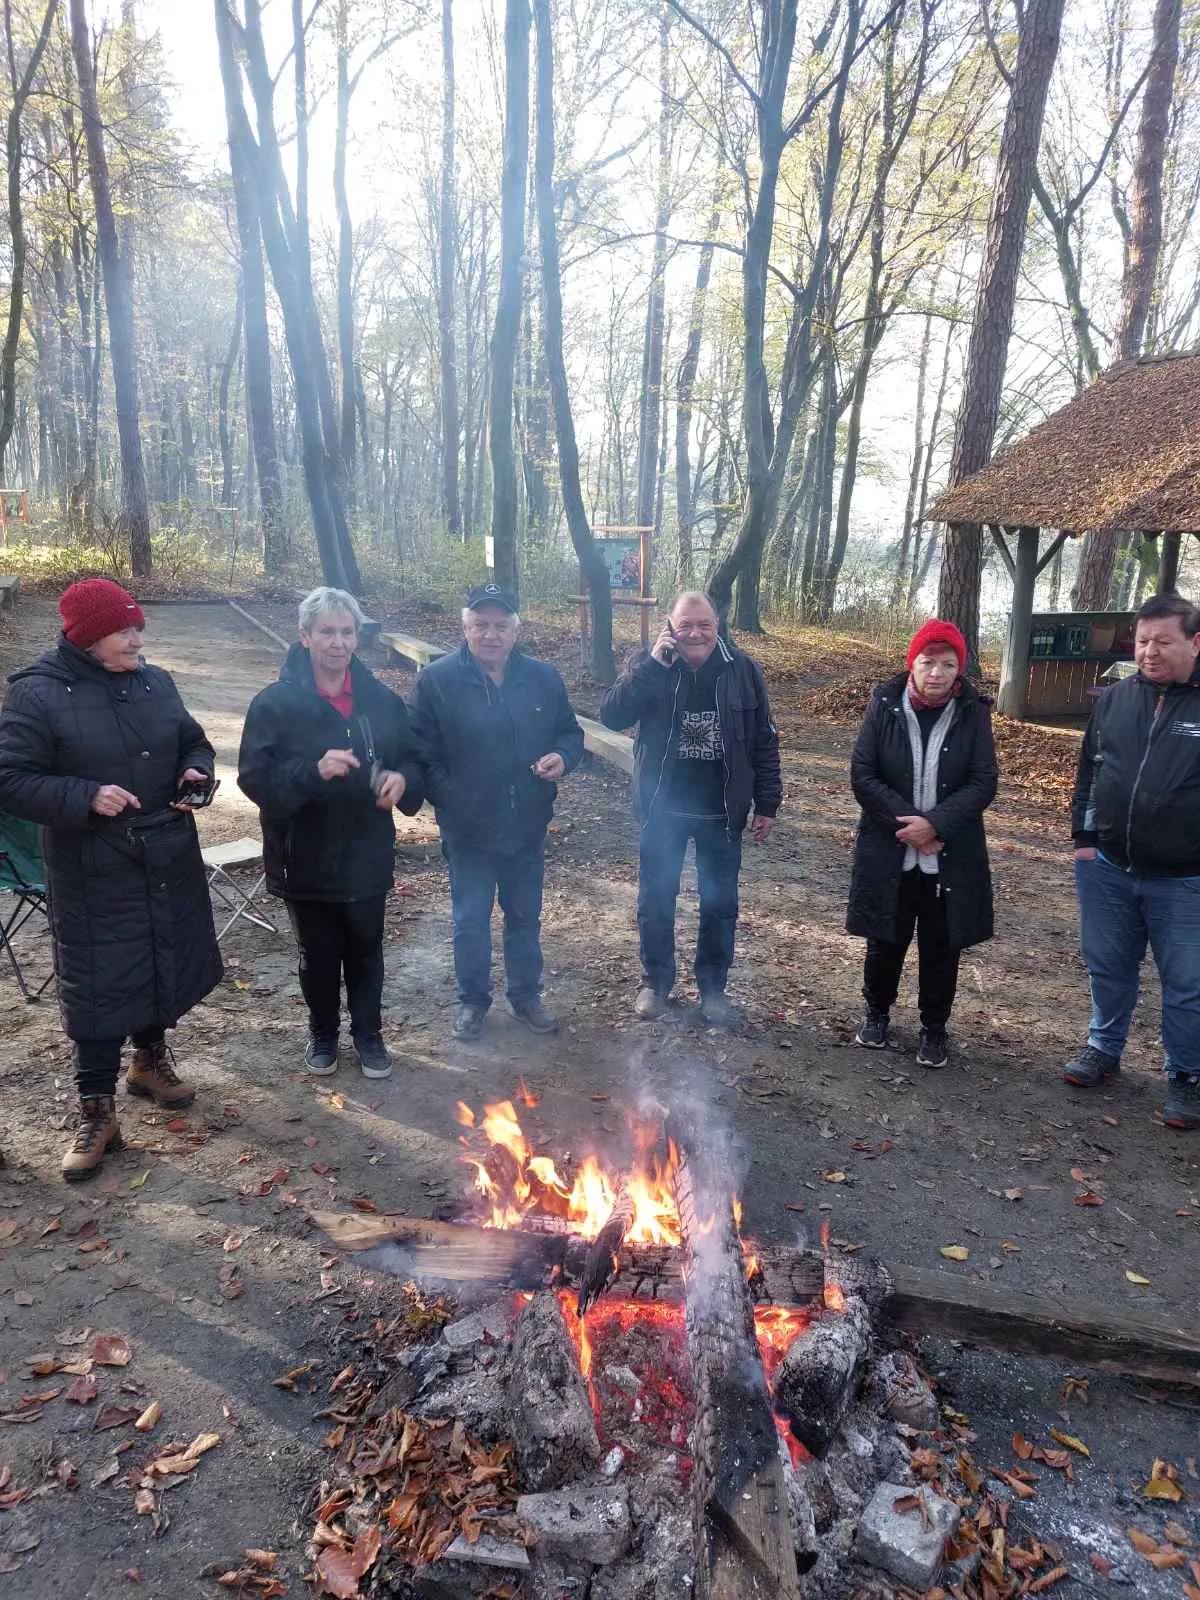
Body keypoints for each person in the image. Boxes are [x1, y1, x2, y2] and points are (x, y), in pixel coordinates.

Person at [0, 578, 222, 1180]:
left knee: (159, 960)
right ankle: (96, 1111)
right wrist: (85, 794)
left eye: (138, 627)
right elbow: (11, 778)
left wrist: (195, 773)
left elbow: (192, 741)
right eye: (123, 630)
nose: (136, 638)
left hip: (166, 852)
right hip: (94, 865)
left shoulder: (157, 682)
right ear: (86, 636)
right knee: (98, 983)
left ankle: (149, 1062)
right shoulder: (39, 694)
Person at [238, 588, 425, 1080]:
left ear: (357, 638)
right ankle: (323, 1032)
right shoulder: (274, 704)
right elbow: (255, 781)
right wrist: (312, 772)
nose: (337, 643)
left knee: (366, 950)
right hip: (304, 857)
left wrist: (402, 781)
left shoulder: (381, 701)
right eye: (326, 632)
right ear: (305, 637)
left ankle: (369, 1034)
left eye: (347, 632)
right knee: (317, 956)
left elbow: (412, 758)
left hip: (367, 853)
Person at [598, 590, 781, 1028]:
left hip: (721, 809)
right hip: (663, 808)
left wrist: (767, 802)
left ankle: (713, 990)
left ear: (717, 625)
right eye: (685, 626)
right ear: (670, 626)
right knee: (656, 898)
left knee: (719, 904)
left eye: (704, 625)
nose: (695, 634)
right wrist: (653, 667)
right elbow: (611, 715)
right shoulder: (650, 664)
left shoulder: (743, 670)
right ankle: (655, 983)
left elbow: (764, 740)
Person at [410, 583, 584, 1041]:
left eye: (500, 625)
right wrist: (454, 801)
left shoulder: (543, 678)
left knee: (524, 916)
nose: (491, 634)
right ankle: (472, 1001)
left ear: (516, 630)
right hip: (467, 828)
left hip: (527, 824)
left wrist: (562, 758)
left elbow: (570, 733)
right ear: (465, 627)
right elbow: (422, 755)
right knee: (470, 920)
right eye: (481, 625)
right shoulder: (438, 681)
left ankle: (526, 996)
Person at [1064, 593, 1200, 1130]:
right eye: (1142, 641)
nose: (1150, 652)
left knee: (1188, 982)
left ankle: (1187, 1075)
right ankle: (1104, 1047)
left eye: (1163, 642)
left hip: (1186, 878)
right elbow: (1090, 772)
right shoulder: (1116, 699)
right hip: (1109, 867)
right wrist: (1083, 839)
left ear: (1195, 642)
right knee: (1107, 965)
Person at [847, 619, 997, 1068]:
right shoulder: (883, 704)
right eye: (927, 662)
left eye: (947, 663)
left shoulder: (973, 713)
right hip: (890, 846)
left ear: (959, 670)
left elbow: (983, 781)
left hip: (948, 853)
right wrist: (907, 826)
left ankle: (934, 1027)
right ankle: (876, 1012)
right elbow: (863, 773)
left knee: (941, 944)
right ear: (912, 663)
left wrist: (934, 826)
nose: (936, 672)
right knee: (884, 938)